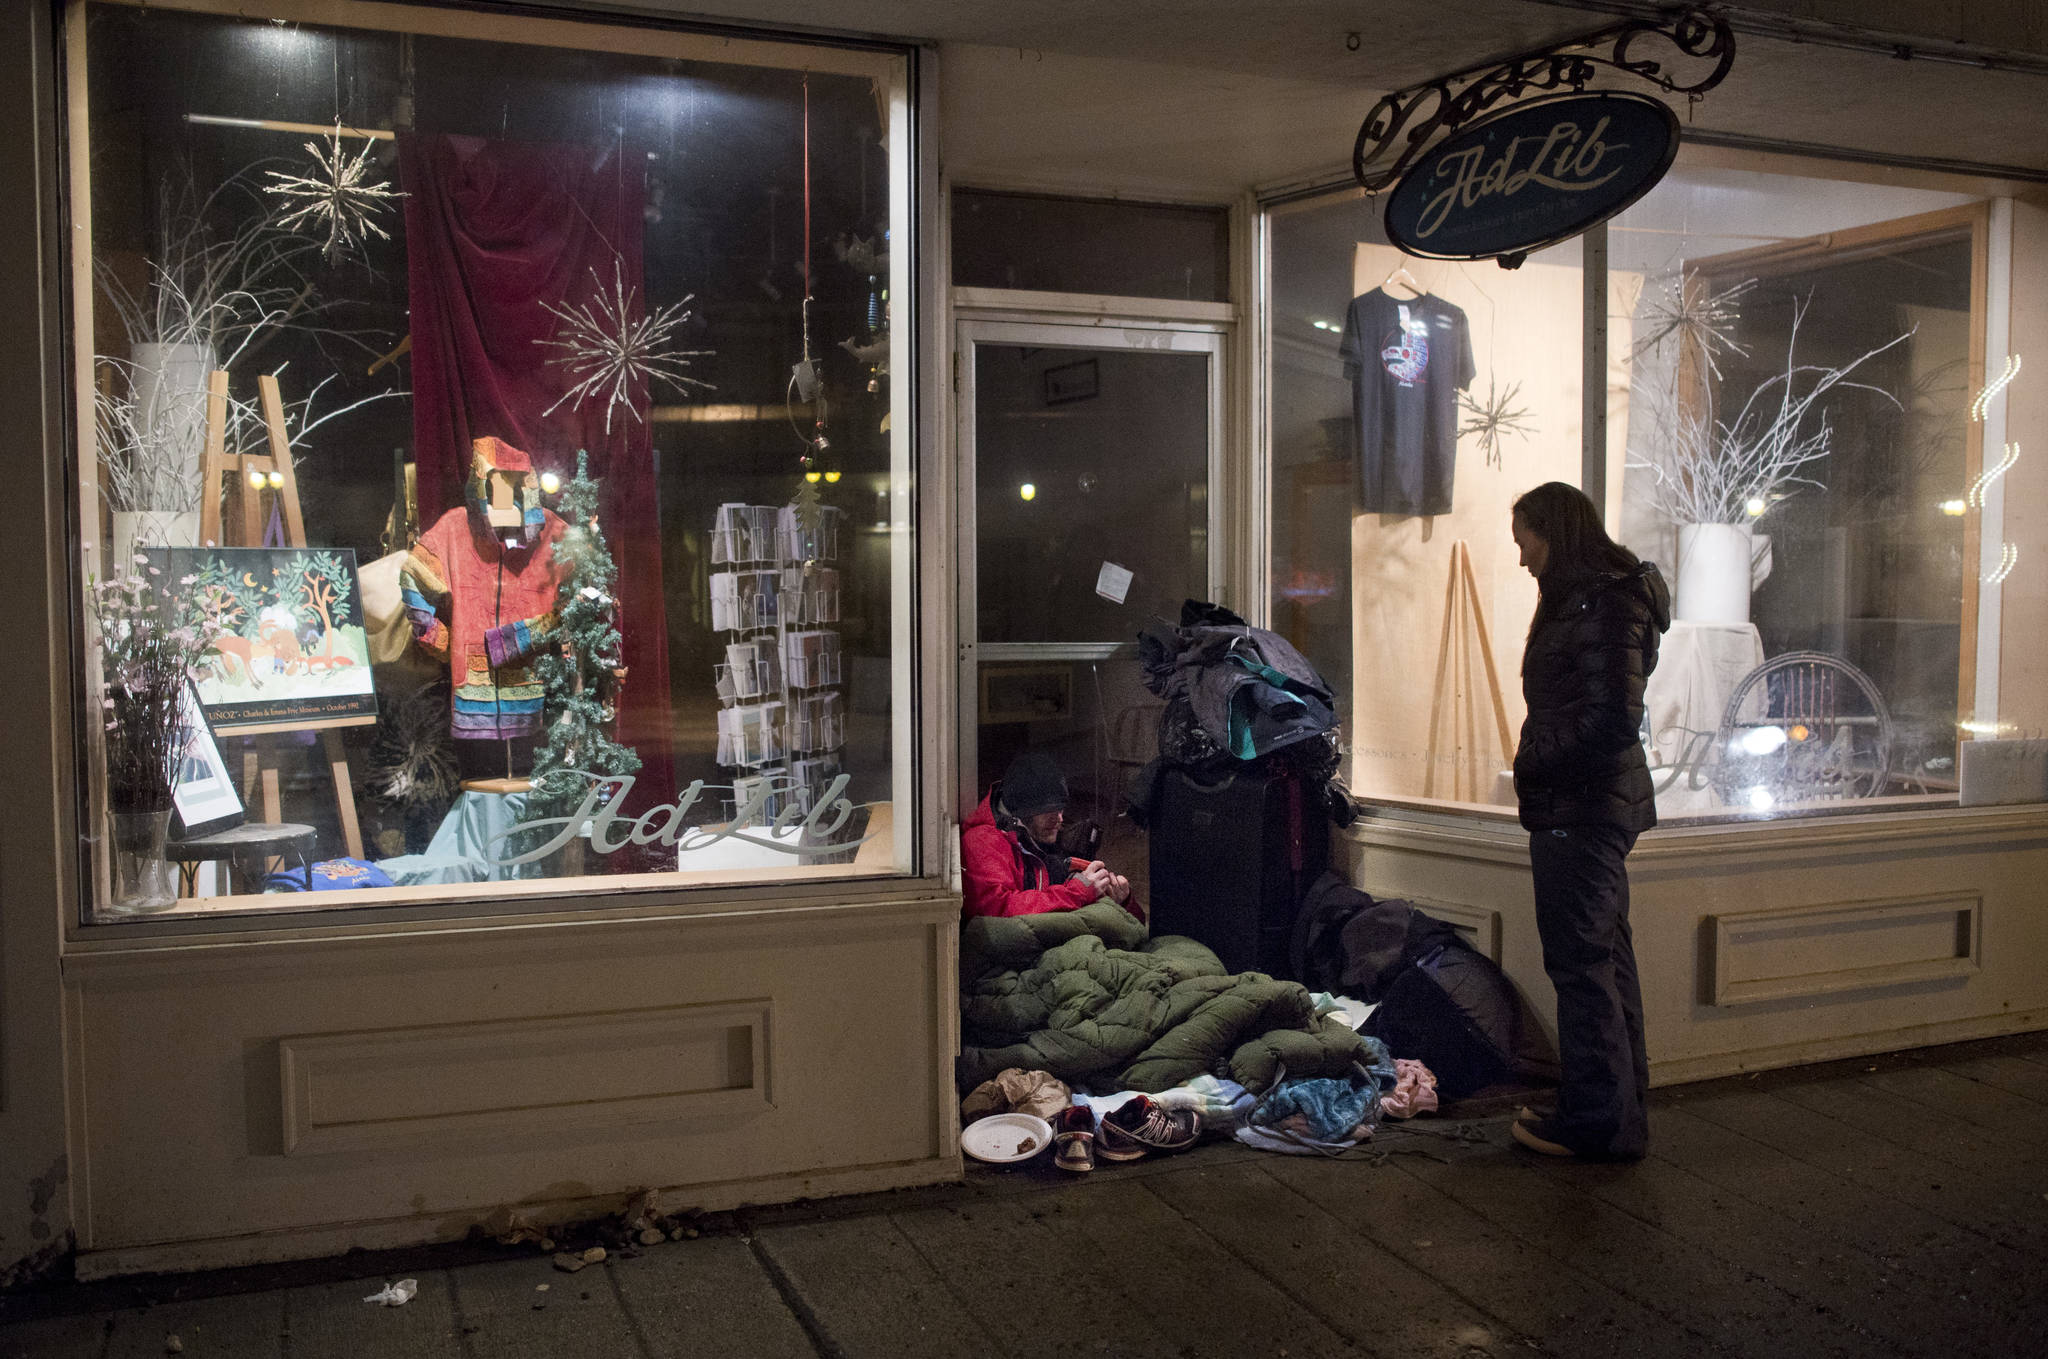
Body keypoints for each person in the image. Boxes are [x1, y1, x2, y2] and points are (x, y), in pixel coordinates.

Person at [1506, 481, 1669, 1162]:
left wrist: (1536, 761)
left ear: (1554, 532)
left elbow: (1610, 719)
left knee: (1581, 962)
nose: (1520, 559)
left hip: (1581, 805)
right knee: (1602, 958)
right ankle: (1617, 1113)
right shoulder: (1595, 599)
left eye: (1525, 541)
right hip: (1589, 803)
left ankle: (1596, 1118)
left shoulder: (1601, 604)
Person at [961, 751, 1144, 920]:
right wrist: (1077, 892)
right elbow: (995, 908)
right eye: (1049, 812)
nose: (1059, 819)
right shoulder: (983, 841)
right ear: (1022, 813)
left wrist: (1123, 902)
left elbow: (1135, 926)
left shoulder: (1055, 840)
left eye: (1061, 810)